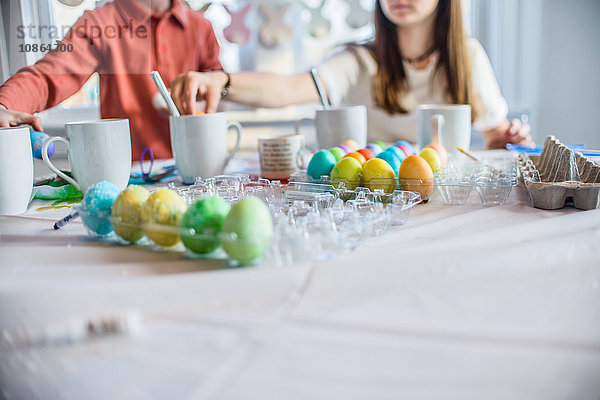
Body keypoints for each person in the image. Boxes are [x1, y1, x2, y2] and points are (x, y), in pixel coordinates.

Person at [171, 0, 533, 149]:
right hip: (372, 208)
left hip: (444, 212)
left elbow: (495, 136)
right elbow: (285, 89)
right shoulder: (360, 60)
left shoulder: (467, 56)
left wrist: (508, 139)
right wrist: (223, 81)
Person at [0, 0, 223, 159]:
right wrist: (4, 104)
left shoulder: (201, 27)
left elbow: (219, 90)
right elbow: (49, 76)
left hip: (196, 172)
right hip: (128, 175)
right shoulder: (98, 23)